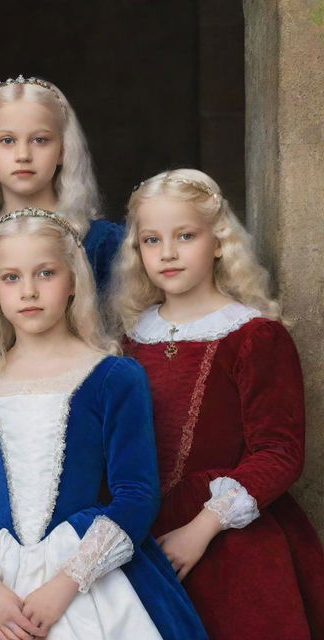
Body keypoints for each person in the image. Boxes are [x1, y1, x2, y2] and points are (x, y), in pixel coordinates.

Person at [0, 208, 207, 640]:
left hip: (87, 572)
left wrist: (65, 585)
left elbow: (136, 494)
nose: (28, 291)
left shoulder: (113, 377)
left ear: (73, 281)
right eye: (11, 277)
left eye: (45, 273)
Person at [110, 168, 324, 639]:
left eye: (185, 235)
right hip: (141, 530)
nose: (167, 252)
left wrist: (202, 528)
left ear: (220, 240)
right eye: (151, 240)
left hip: (226, 537)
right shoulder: (128, 340)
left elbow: (280, 452)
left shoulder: (252, 335)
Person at [0, 75, 123, 325]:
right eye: (7, 141)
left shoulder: (101, 241)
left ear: (63, 149)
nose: (23, 155)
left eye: (40, 140)